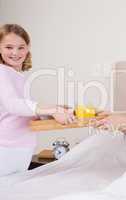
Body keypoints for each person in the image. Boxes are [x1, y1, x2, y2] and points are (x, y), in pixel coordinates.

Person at [0, 24, 75, 176]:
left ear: (28, 49)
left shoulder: (18, 76)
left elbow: (21, 112)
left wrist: (53, 109)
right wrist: (52, 110)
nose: (15, 52)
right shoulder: (2, 71)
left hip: (21, 145)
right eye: (9, 47)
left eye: (21, 47)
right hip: (6, 145)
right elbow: (13, 104)